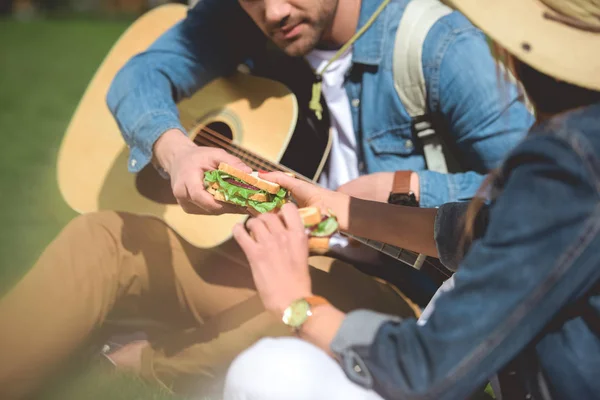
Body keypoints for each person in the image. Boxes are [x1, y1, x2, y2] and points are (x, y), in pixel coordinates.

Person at [0, 0, 532, 398]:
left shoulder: (441, 46)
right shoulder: (243, 17)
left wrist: (407, 191)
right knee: (103, 238)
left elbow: (536, 188)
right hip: (280, 257)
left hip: (400, 299)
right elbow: (138, 78)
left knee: (283, 307)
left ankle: (138, 366)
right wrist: (177, 152)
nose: (273, 12)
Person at [223, 0, 600, 399]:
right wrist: (332, 205)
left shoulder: (569, 158)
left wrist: (297, 302)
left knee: (266, 370)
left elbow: (428, 369)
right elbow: (492, 233)